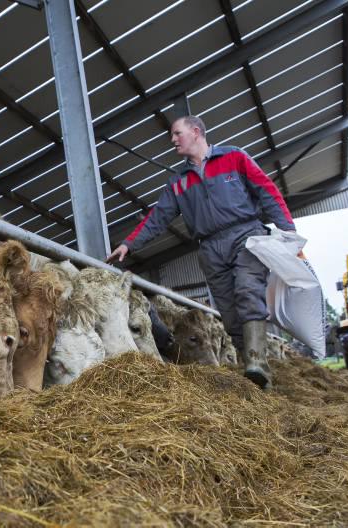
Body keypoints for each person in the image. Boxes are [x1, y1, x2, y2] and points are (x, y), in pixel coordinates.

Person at [108, 115, 296, 390]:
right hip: (209, 247)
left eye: (177, 133)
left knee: (247, 291)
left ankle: (258, 363)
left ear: (196, 132)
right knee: (229, 314)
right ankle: (255, 376)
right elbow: (157, 218)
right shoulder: (178, 182)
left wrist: (288, 230)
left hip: (246, 236)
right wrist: (129, 244)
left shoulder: (234, 157)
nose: (172, 140)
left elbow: (267, 190)